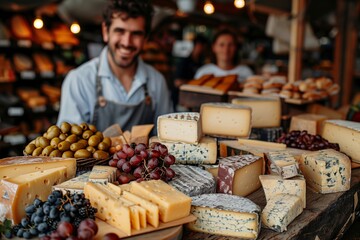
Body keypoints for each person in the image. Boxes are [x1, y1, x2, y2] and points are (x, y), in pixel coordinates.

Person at [56, 0, 173, 132]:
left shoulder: (157, 81)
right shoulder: (79, 80)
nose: (126, 42)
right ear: (106, 32)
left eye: (136, 34)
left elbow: (166, 136)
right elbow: (69, 144)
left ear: (145, 38)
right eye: (120, 31)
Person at [172, 35, 208, 110]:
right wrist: (196, 83)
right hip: (182, 102)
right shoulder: (184, 62)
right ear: (196, 45)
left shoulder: (201, 64)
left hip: (195, 102)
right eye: (202, 46)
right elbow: (177, 82)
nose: (203, 49)